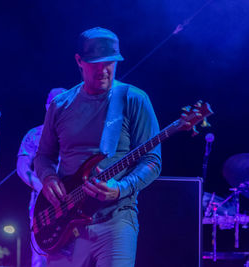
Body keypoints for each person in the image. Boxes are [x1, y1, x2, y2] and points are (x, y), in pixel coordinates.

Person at [34, 27, 162, 266]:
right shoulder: (60, 105)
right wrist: (49, 178)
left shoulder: (134, 99)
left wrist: (121, 187)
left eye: (110, 63)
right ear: (79, 61)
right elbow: (43, 156)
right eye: (95, 63)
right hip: (65, 224)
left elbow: (152, 161)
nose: (104, 70)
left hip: (116, 219)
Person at [17, 87, 67, 267]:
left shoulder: (79, 135)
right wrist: (42, 186)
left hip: (75, 200)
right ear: (48, 107)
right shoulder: (35, 134)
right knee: (41, 255)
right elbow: (22, 167)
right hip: (43, 203)